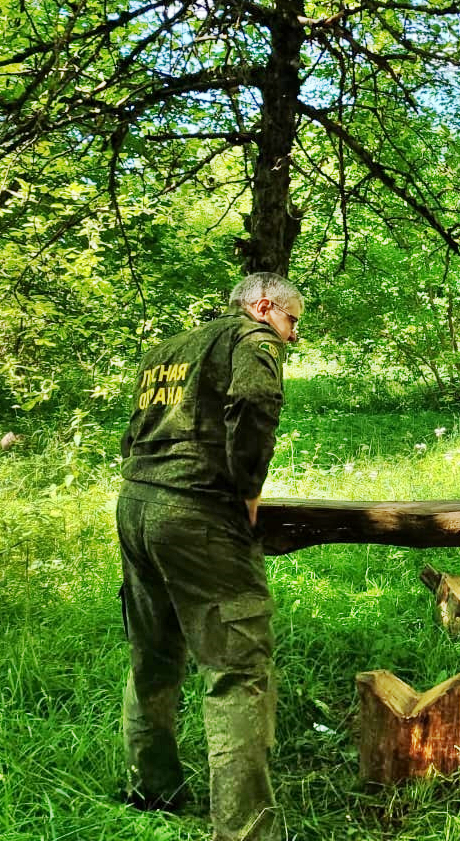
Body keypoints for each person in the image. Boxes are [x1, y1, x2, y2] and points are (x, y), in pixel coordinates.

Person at [117, 272, 303, 841]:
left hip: (137, 506)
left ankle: (151, 790)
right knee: (238, 669)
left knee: (154, 654)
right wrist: (248, 487)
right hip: (198, 514)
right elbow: (253, 398)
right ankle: (245, 831)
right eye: (292, 321)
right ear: (264, 306)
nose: (293, 337)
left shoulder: (169, 348)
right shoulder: (252, 339)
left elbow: (134, 433)